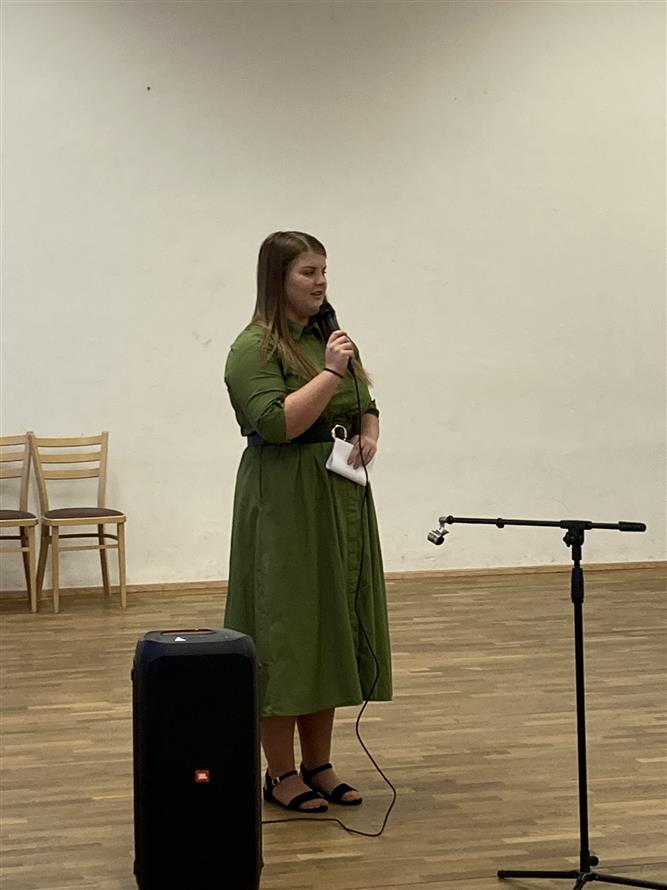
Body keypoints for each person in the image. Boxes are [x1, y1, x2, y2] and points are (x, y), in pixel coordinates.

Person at [223, 231, 392, 813]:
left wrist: (368, 434)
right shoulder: (253, 348)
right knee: (286, 630)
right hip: (284, 501)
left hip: (337, 494)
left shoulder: (329, 337)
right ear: (277, 279)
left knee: (328, 626)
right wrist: (329, 373)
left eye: (324, 271)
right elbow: (277, 424)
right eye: (307, 272)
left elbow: (367, 404)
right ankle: (279, 773)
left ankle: (319, 764)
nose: (321, 282)